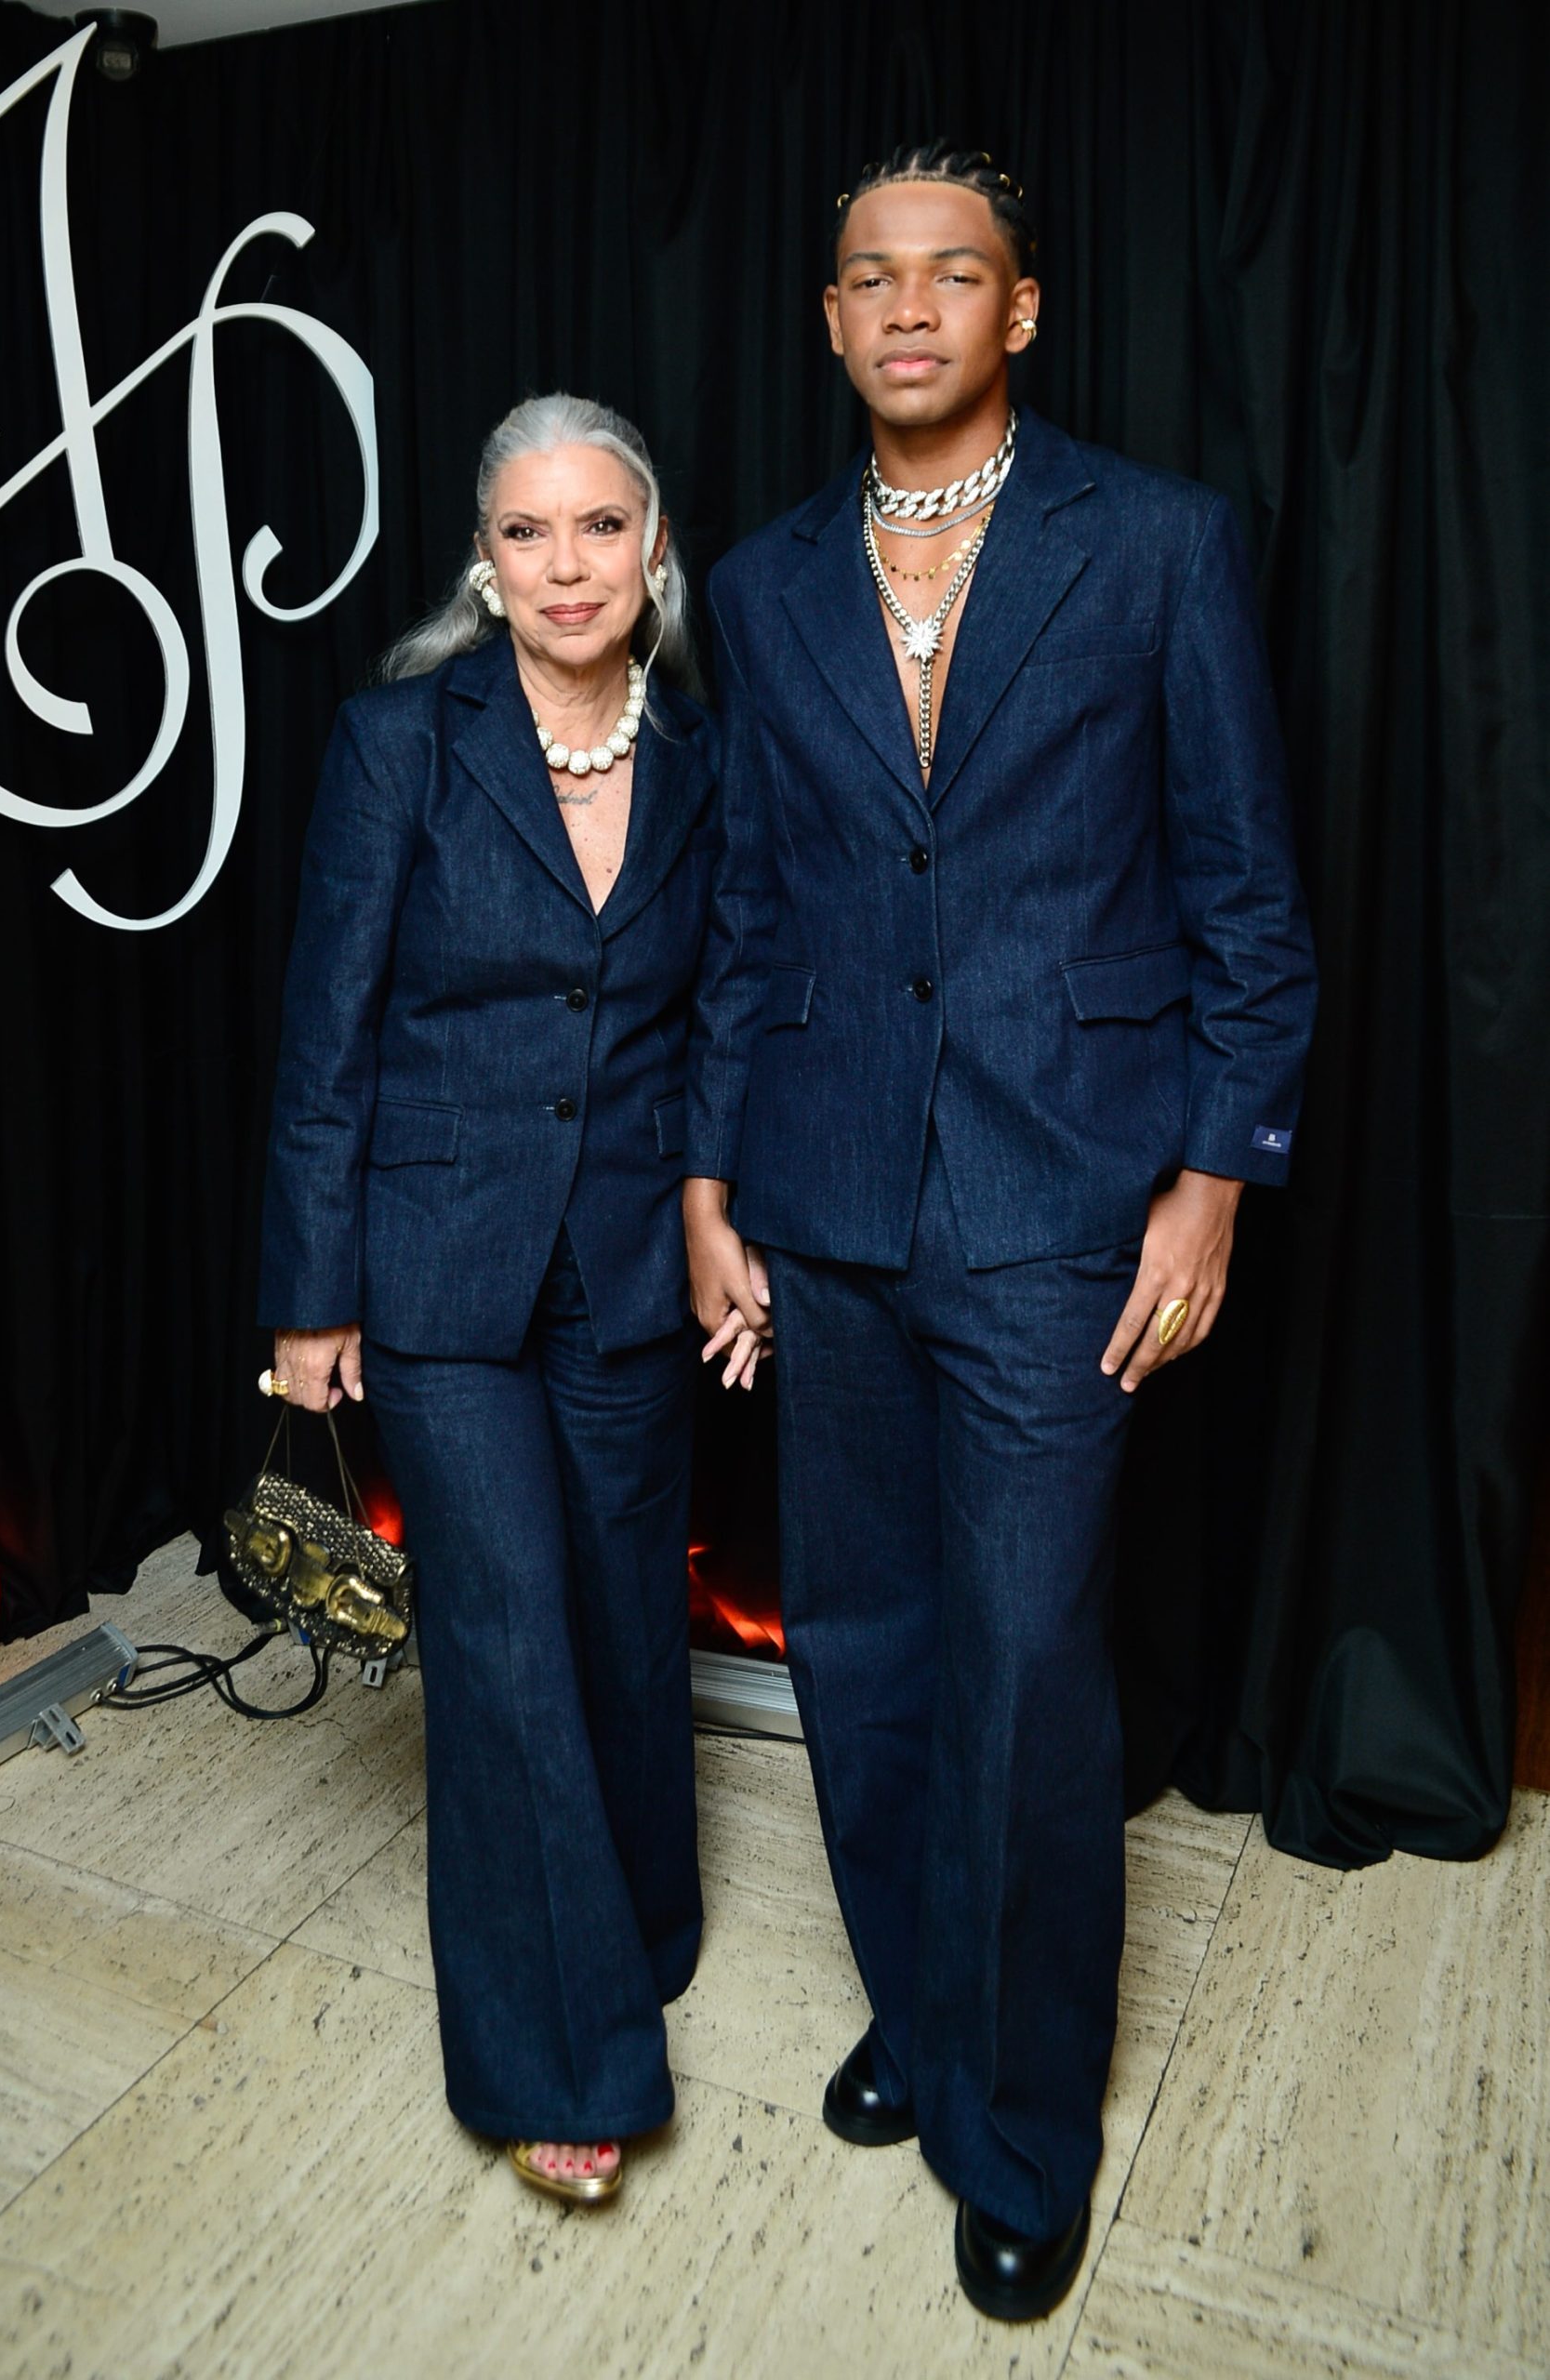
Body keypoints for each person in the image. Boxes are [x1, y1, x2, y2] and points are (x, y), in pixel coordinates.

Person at [683, 145, 1316, 2320]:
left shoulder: (1149, 545)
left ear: (1016, 313)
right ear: (833, 319)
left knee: (1029, 1664)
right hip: (827, 1190)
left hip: (1063, 1202)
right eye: (868, 276)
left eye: (951, 275)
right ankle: (923, 2003)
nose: (909, 306)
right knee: (860, 1643)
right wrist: (707, 1183)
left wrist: (1212, 1175)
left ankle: (1019, 2109)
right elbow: (745, 910)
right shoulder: (762, 588)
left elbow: (1245, 898)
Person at [259, 392, 724, 2206]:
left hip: (623, 1272)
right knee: (510, 1638)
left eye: (598, 526)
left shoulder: (699, 758)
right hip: (437, 1271)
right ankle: (562, 2050)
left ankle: (634, 1920)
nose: (563, 564)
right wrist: (311, 1298)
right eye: (525, 533)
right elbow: (327, 1032)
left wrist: (721, 1225)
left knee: (622, 1618)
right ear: (482, 555)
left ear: (651, 549)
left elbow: (715, 1021)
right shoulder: (399, 744)